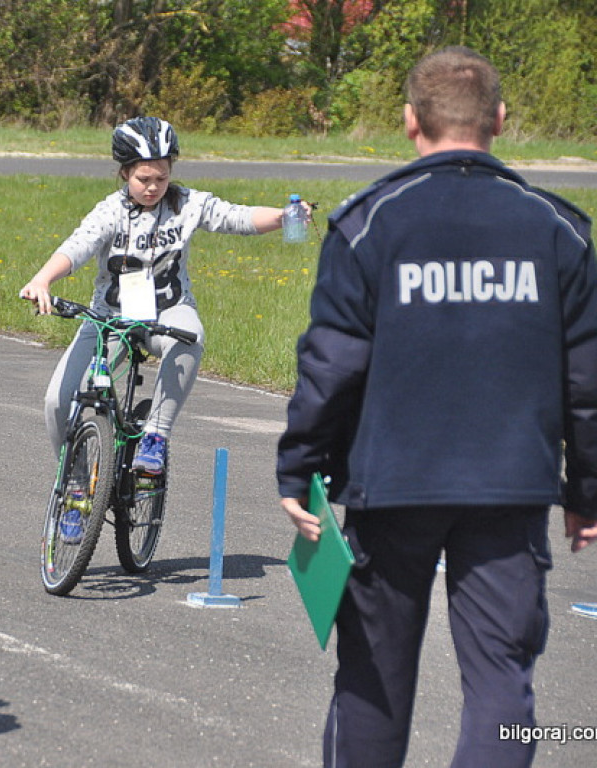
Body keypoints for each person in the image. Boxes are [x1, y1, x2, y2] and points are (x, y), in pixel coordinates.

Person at [276, 46, 597, 768]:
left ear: (409, 121)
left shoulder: (369, 223)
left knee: (371, 683)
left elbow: (332, 365)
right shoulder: (559, 229)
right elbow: (587, 383)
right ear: (500, 120)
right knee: (502, 681)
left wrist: (299, 468)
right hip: (510, 492)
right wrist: (586, 492)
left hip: (391, 487)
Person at [21, 116, 304, 473]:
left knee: (192, 335)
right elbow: (76, 247)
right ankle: (75, 481)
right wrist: (43, 279)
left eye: (162, 178)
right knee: (57, 401)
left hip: (168, 311)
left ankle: (155, 435)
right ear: (125, 173)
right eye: (143, 179)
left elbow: (236, 217)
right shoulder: (109, 211)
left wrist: (282, 217)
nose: (153, 188)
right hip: (111, 318)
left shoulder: (187, 203)